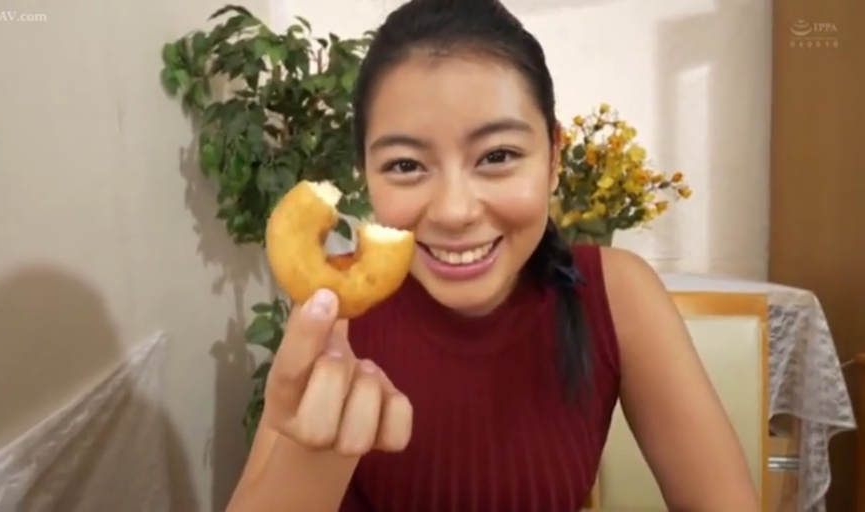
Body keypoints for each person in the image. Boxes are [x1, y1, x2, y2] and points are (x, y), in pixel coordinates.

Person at [226, 0, 760, 510]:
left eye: (498, 155)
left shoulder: (616, 295)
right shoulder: (336, 318)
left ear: (553, 158)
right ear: (365, 173)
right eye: (406, 165)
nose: (454, 211)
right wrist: (315, 452)